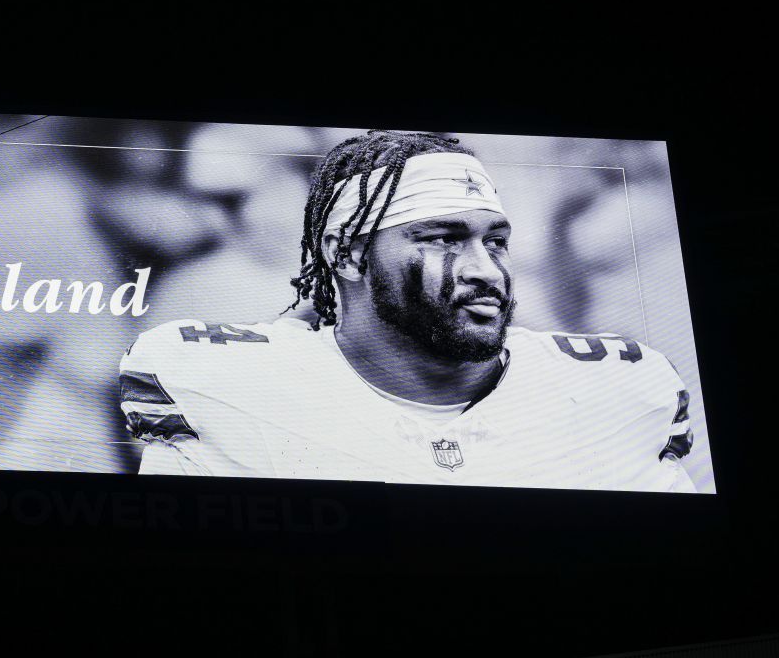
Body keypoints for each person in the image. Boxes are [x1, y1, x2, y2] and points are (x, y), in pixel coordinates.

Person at [118, 130, 700, 491]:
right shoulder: (201, 334)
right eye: (441, 238)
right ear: (345, 254)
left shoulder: (618, 379)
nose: (485, 269)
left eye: (495, 240)